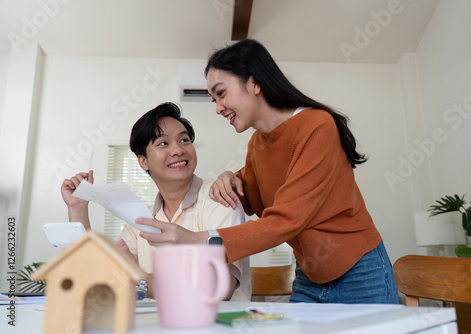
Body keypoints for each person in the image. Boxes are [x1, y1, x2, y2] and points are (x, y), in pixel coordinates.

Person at [137, 39, 398, 304]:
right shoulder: (258, 143)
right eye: (213, 99)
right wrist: (232, 178)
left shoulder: (317, 126)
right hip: (310, 275)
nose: (218, 108)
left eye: (222, 93)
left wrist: (196, 240)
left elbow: (287, 220)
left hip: (360, 270)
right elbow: (253, 193)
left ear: (254, 83)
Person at [61, 102, 251, 301]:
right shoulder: (141, 219)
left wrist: (139, 280)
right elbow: (97, 274)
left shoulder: (220, 200)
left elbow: (217, 289)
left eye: (184, 140)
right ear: (143, 162)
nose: (178, 150)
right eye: (163, 143)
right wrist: (78, 208)